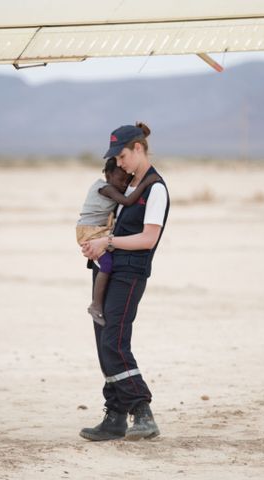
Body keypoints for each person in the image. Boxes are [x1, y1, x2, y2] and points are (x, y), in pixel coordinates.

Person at [79, 122, 170, 441]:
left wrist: (109, 243)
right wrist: (95, 243)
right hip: (108, 269)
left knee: (114, 342)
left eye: (121, 156)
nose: (118, 163)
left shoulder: (155, 188)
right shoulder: (129, 186)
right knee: (103, 342)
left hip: (130, 273)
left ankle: (142, 410)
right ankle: (115, 416)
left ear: (138, 149)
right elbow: (110, 226)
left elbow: (148, 238)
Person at [76, 158, 160, 325]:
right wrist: (146, 183)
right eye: (120, 180)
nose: (124, 184)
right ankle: (96, 304)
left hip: (93, 229)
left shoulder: (110, 186)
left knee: (107, 258)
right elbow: (127, 201)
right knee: (107, 264)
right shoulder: (105, 188)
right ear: (107, 174)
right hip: (89, 231)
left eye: (127, 180)